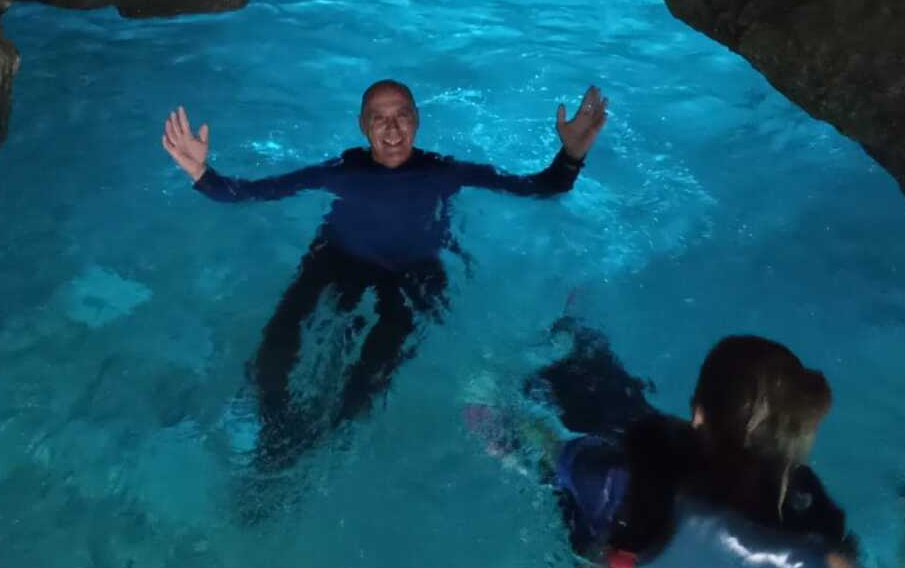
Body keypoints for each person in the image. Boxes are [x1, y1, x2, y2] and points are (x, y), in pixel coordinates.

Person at [161, 80, 609, 468]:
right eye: (379, 118)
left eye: (401, 117)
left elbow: (537, 188)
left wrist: (570, 156)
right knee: (284, 329)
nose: (392, 129)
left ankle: (327, 436)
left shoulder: (445, 172)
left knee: (379, 360)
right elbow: (250, 193)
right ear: (362, 125)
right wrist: (202, 173)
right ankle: (272, 419)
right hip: (338, 257)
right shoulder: (341, 171)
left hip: (413, 271)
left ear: (417, 121)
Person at [472, 319, 861, 568]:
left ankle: (567, 338)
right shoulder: (818, 541)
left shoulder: (619, 482)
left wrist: (490, 399)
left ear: (699, 416)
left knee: (556, 443)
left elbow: (550, 445)